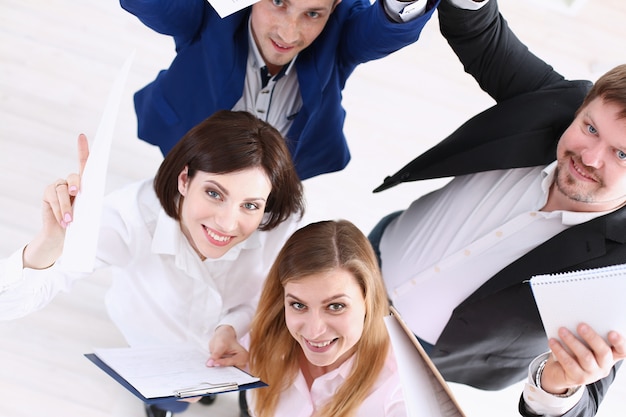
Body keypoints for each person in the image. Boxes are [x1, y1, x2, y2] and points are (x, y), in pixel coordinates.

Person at [368, 1, 626, 416]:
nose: (590, 156)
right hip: (370, 256)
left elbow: (588, 395)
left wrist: (559, 388)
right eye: (590, 128)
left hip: (428, 354)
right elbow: (482, 37)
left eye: (622, 155)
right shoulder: (559, 102)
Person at [0, 110, 305, 417]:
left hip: (240, 349)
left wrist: (232, 327)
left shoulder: (278, 224)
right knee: (169, 402)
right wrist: (48, 244)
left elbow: (266, 293)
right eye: (214, 193)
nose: (227, 223)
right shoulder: (129, 218)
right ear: (185, 179)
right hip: (159, 351)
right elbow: (8, 304)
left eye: (249, 205)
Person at [119, 0, 440, 180]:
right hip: (189, 145)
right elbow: (159, 7)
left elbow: (379, 31)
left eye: (312, 14)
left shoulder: (341, 29)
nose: (289, 33)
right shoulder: (212, 15)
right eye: (278, 3)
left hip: (283, 171)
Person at [246, 219, 405, 416]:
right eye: (298, 305)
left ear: (367, 300)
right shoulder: (261, 344)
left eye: (335, 306)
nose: (314, 331)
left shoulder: (400, 389)